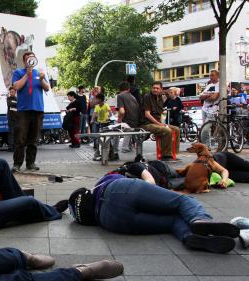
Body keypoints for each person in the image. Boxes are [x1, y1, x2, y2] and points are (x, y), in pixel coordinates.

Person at [70, 175, 240, 253]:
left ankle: (189, 236)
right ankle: (199, 220)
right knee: (181, 202)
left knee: (172, 222)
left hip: (110, 220)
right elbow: (148, 181)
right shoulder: (103, 182)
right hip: (119, 190)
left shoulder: (83, 217)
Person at [11, 51, 50, 171]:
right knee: (20, 139)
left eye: (32, 58)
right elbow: (16, 87)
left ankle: (30, 163)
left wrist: (42, 79)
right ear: (24, 61)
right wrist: (27, 75)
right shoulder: (18, 72)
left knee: (34, 139)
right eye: (28, 59)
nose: (30, 61)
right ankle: (17, 164)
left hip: (38, 110)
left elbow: (47, 88)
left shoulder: (40, 73)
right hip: (23, 111)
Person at [140, 81, 180, 161]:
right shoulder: (147, 97)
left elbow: (172, 94)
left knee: (176, 129)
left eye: (157, 88)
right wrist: (159, 124)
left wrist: (162, 123)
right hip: (147, 124)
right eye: (154, 88)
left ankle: (174, 154)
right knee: (166, 130)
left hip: (157, 123)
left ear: (161, 89)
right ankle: (165, 155)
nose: (155, 90)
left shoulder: (161, 98)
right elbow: (147, 114)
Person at [116, 81, 140, 154]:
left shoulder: (120, 96)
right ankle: (127, 147)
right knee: (128, 131)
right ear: (129, 89)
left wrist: (119, 120)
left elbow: (122, 111)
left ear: (120, 89)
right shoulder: (133, 97)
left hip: (127, 122)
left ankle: (115, 150)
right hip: (136, 122)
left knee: (113, 130)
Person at [91, 93, 114, 160]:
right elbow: (94, 114)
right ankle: (98, 154)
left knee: (107, 140)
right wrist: (92, 120)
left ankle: (110, 154)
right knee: (99, 139)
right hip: (99, 124)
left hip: (106, 124)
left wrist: (108, 118)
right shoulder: (97, 106)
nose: (95, 100)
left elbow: (110, 113)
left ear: (100, 99)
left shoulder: (106, 105)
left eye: (96, 99)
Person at [6, 86, 18, 152]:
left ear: (15, 92)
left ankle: (15, 146)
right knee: (11, 133)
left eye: (12, 92)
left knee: (17, 133)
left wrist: (15, 103)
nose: (11, 93)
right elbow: (9, 103)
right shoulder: (8, 98)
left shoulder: (17, 98)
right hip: (11, 118)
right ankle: (10, 147)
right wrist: (15, 103)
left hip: (17, 119)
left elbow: (19, 105)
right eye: (10, 92)